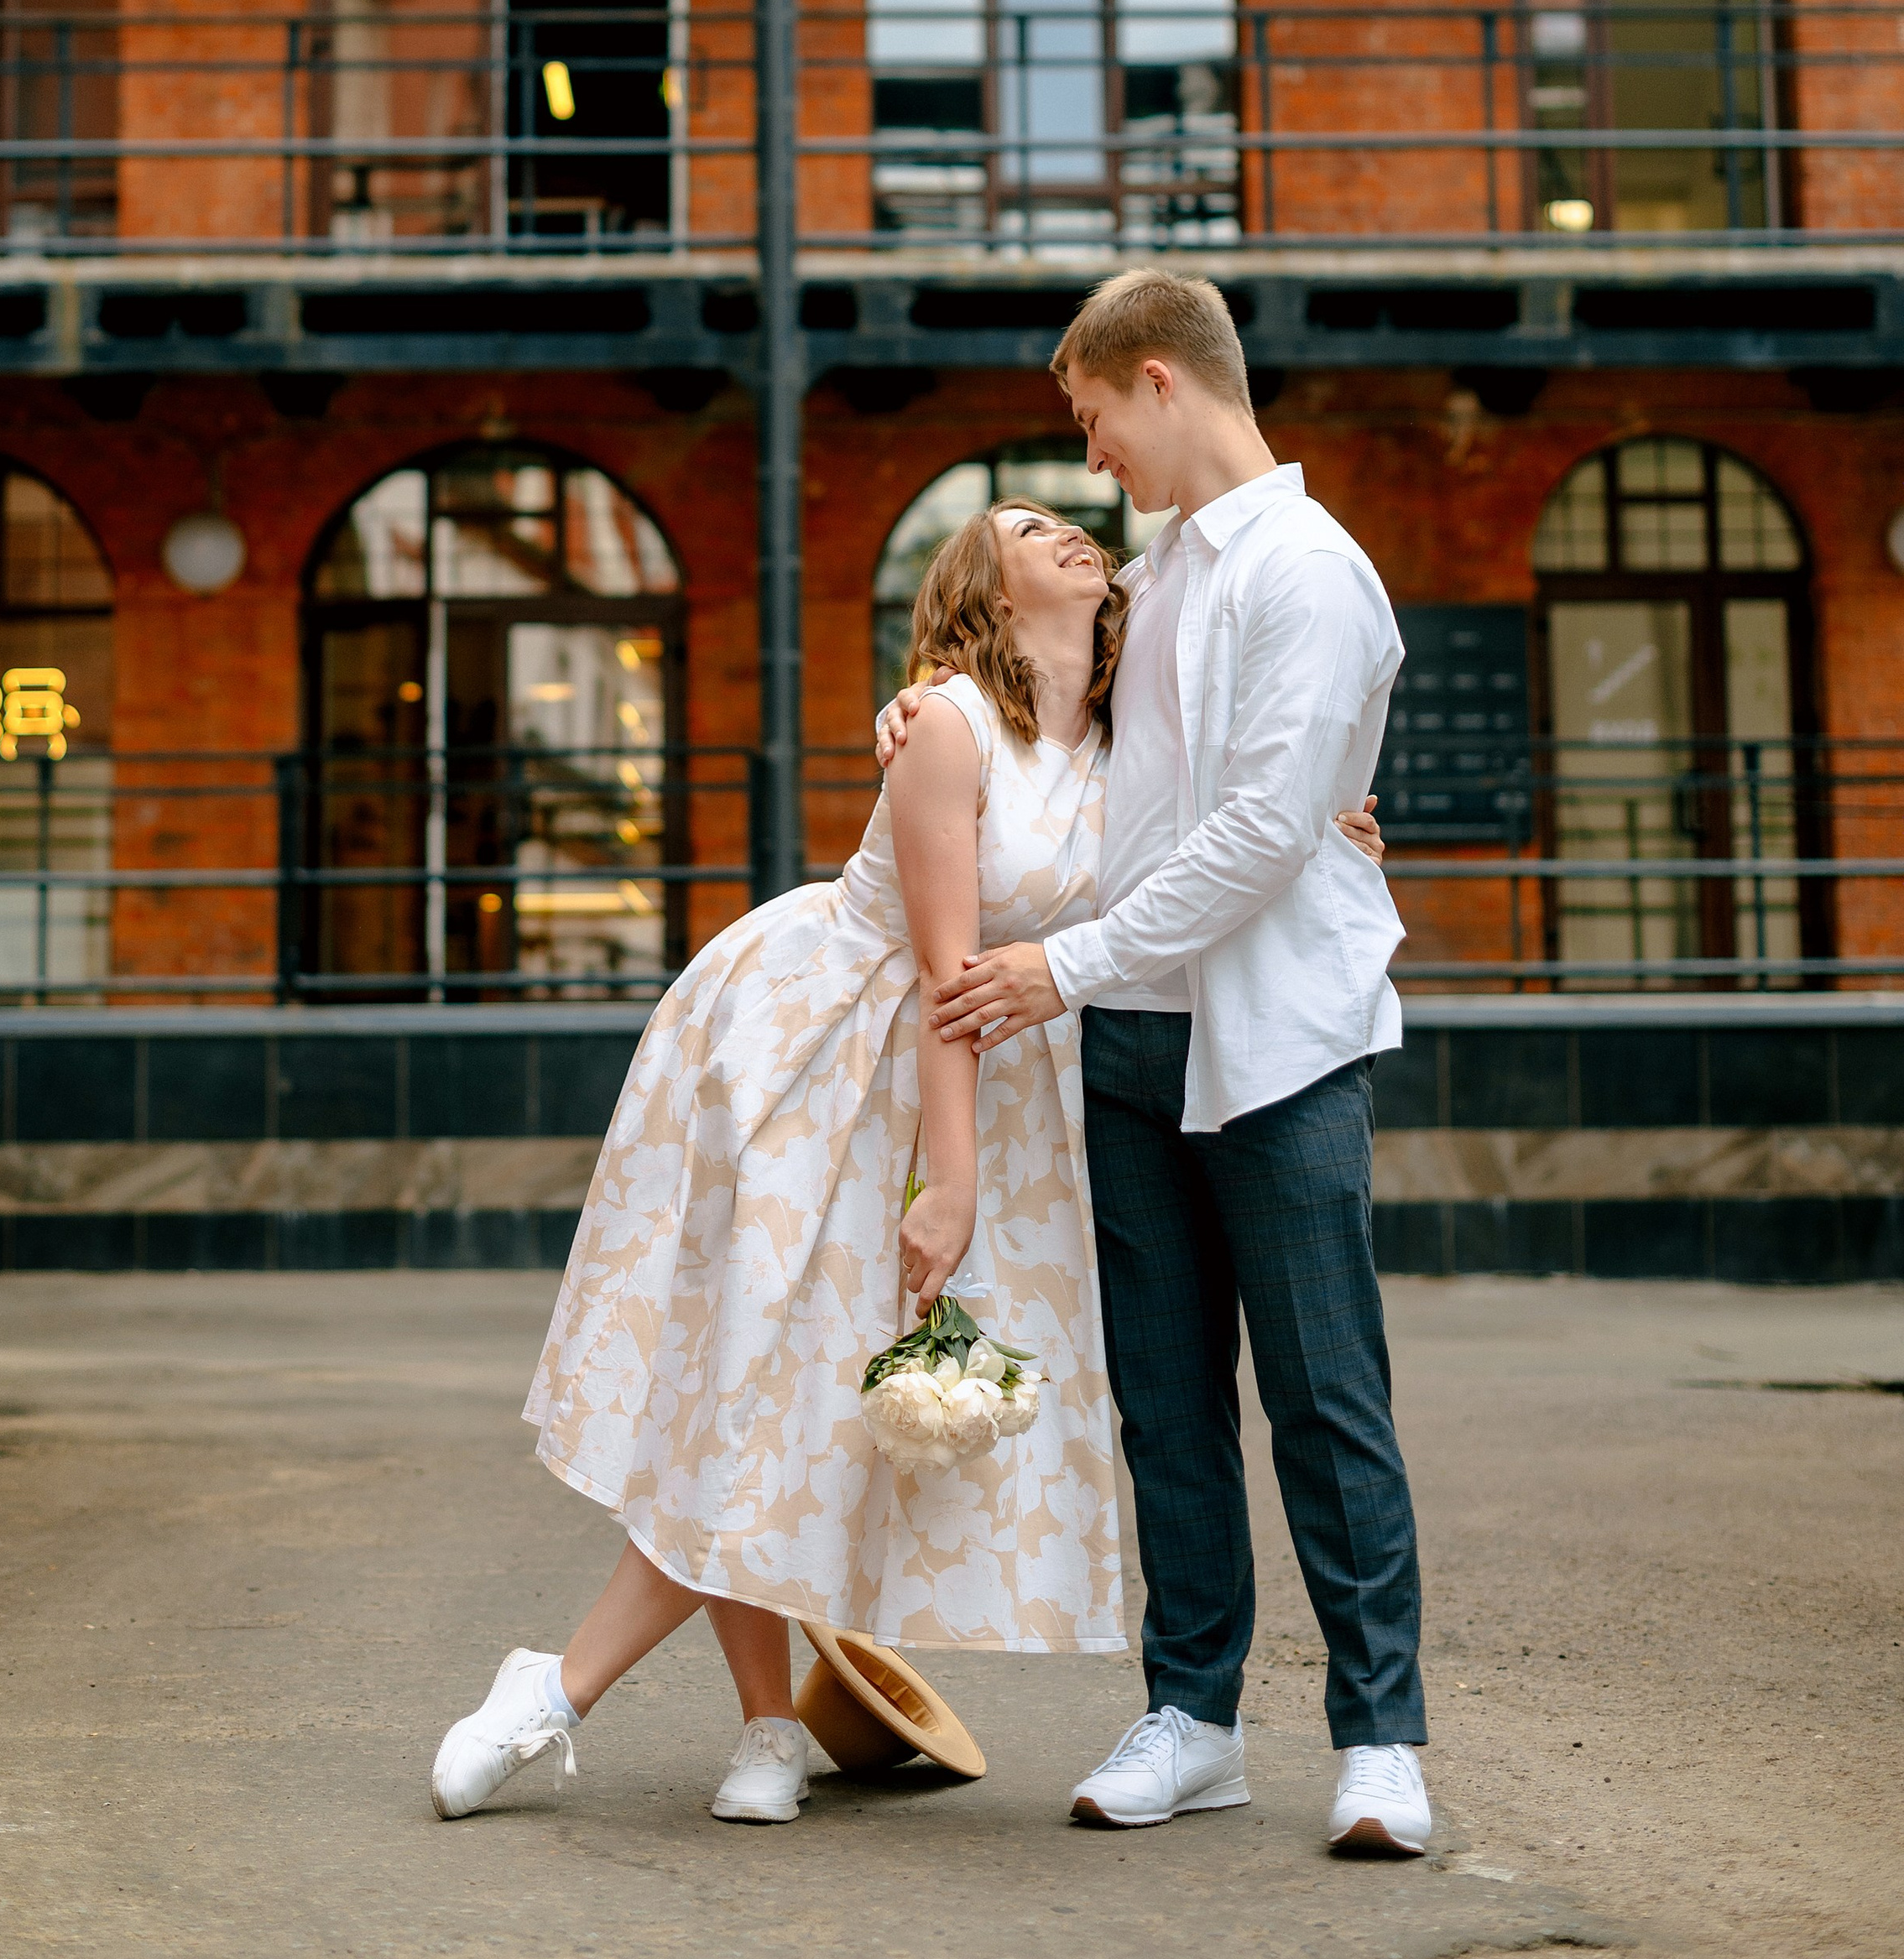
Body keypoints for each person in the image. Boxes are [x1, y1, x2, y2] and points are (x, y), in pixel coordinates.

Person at [429, 484, 1390, 1831]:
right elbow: (947, 973)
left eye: (1067, 516)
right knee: (758, 1384)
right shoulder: (947, 725)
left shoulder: (1122, 740)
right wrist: (952, 1183)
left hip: (978, 1078)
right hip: (829, 1056)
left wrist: (1335, 826)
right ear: (988, 598)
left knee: (810, 1406)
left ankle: (755, 1721)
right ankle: (570, 1694)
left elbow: (1228, 824)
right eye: (1023, 530)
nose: (1067, 527)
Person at [885, 267, 1432, 1860]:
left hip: (1275, 1046)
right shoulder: (1166, 569)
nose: (1093, 459)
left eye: (1093, 419)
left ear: (1158, 381)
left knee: (1328, 1403)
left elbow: (1266, 827)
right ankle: (1193, 1717)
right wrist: (917, 708)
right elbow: (1042, 711)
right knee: (1168, 1411)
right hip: (1134, 1046)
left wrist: (1062, 964)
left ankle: (1382, 1739)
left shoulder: (1310, 572)